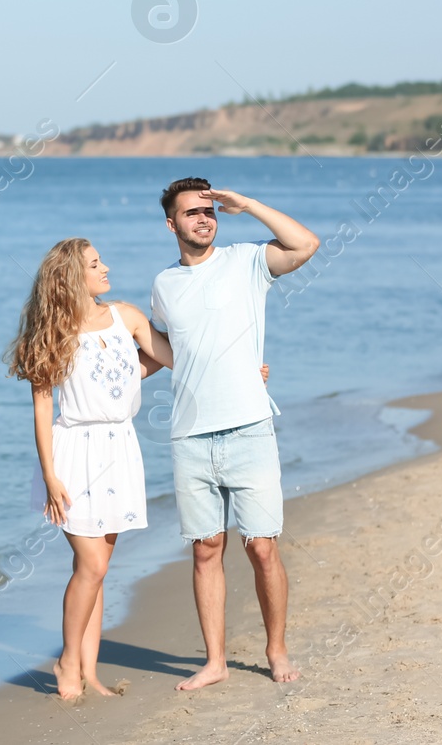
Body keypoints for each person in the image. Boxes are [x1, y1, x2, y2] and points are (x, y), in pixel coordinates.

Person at [150, 177, 319, 688]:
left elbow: (305, 245)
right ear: (171, 223)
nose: (204, 218)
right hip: (190, 437)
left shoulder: (247, 261)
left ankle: (277, 649)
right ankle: (216, 662)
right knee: (206, 550)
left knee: (262, 547)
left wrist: (246, 203)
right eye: (193, 212)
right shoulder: (164, 285)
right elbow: (167, 350)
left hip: (249, 428)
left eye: (210, 210)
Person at [5, 238, 171, 700]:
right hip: (72, 452)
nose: (106, 267)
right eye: (96, 264)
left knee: (96, 569)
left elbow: (170, 357)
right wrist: (51, 475)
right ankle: (66, 661)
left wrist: (240, 370)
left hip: (121, 446)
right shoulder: (53, 330)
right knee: (92, 565)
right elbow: (42, 409)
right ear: (72, 278)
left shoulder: (127, 317)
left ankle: (89, 673)